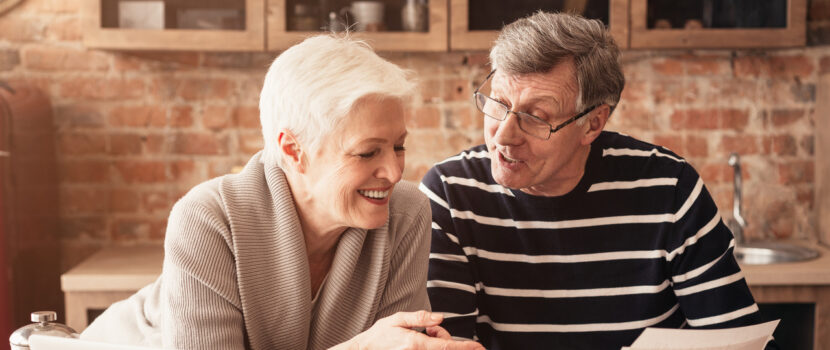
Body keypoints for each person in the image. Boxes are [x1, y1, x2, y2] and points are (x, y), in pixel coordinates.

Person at [81, 35, 484, 350]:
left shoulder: (407, 212)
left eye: (399, 146)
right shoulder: (207, 219)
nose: (394, 171)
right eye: (367, 152)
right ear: (294, 151)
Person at [420, 12, 775, 350]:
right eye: (498, 104)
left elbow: (735, 337)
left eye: (535, 116)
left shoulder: (669, 189)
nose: (504, 136)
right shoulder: (450, 195)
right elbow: (447, 343)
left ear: (592, 124)